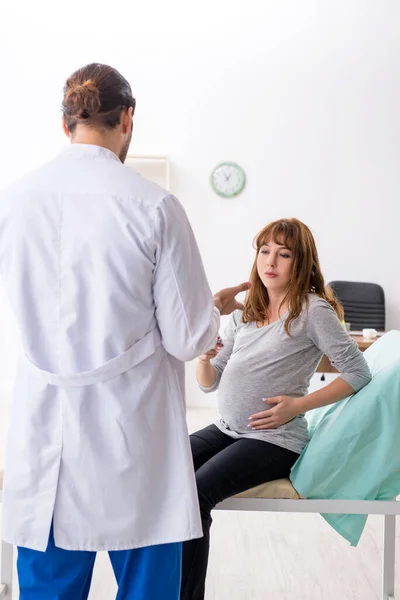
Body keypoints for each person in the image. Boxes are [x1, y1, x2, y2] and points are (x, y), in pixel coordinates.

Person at [0, 62, 250, 600]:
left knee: (48, 587)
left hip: (46, 437)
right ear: (128, 119)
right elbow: (188, 338)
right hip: (133, 438)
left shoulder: (13, 201)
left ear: (65, 123)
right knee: (146, 587)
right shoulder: (154, 205)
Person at [180, 218, 372, 600]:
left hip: (275, 439)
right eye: (265, 251)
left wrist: (298, 405)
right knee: (169, 472)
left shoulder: (313, 311)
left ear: (301, 263)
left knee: (197, 492)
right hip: (227, 428)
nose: (271, 261)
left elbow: (358, 372)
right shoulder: (245, 313)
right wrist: (204, 356)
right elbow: (209, 381)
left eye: (284, 254)